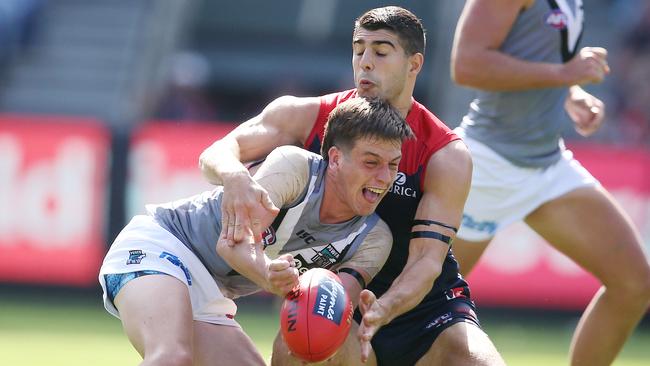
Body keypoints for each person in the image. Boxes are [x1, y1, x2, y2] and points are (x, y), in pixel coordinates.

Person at [199, 6, 505, 366]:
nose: (365, 62)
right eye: (359, 49)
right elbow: (218, 152)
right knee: (301, 349)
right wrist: (234, 176)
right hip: (336, 296)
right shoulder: (308, 115)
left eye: (380, 51)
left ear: (414, 64)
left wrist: (384, 309)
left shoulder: (445, 153)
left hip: (423, 308)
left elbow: (425, 261)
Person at [98, 97, 413, 366]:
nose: (384, 177)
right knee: (171, 357)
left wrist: (360, 318)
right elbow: (231, 244)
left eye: (393, 165)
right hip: (162, 246)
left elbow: (330, 303)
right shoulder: (296, 168)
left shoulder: (376, 237)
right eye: (371, 162)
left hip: (212, 291)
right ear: (335, 159)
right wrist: (268, 276)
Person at [450, 1, 650, 365]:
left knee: (634, 284)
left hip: (547, 163)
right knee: (413, 305)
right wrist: (563, 75)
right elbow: (466, 64)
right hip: (487, 166)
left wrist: (571, 92)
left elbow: (543, 59)